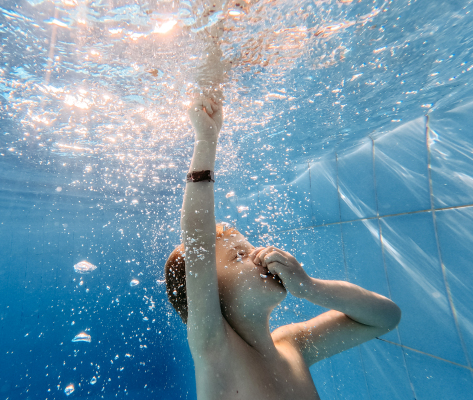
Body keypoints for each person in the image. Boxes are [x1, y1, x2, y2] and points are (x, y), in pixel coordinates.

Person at [164, 96, 401, 399]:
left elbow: (386, 317)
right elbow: (196, 237)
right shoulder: (216, 349)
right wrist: (206, 139)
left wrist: (310, 287)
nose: (257, 255)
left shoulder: (293, 344)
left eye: (249, 247)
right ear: (211, 291)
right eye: (239, 256)